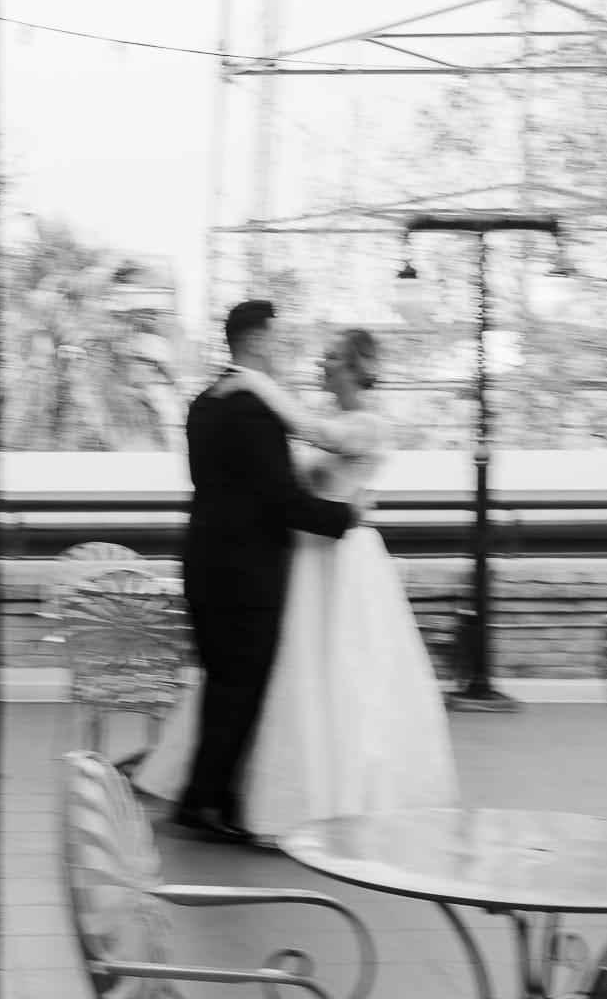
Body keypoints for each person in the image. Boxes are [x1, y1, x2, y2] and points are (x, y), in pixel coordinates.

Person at [135, 324, 460, 843]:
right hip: (304, 556)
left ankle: (324, 792)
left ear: (357, 367)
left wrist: (250, 382)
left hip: (344, 559)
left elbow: (315, 436)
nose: (321, 362)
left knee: (340, 670)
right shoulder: (329, 418)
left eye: (331, 356)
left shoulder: (369, 425)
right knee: (289, 670)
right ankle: (235, 790)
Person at [135, 301, 362, 844]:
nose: (281, 349)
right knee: (239, 684)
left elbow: (219, 486)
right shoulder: (255, 410)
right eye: (276, 339)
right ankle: (205, 801)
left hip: (205, 560)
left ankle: (208, 794)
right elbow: (276, 497)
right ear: (256, 340)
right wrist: (344, 517)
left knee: (222, 681)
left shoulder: (202, 404)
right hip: (245, 570)